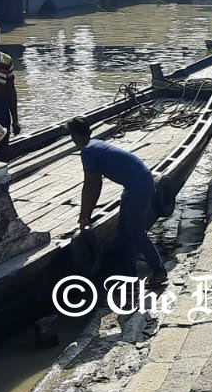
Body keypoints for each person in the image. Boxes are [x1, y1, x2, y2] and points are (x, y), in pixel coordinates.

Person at [69, 118, 168, 291]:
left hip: (139, 186)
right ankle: (130, 277)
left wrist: (84, 216)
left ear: (74, 136)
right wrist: (86, 214)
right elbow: (93, 186)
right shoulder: (95, 144)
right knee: (124, 232)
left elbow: (92, 186)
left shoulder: (88, 152)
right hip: (135, 184)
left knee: (135, 231)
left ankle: (159, 271)